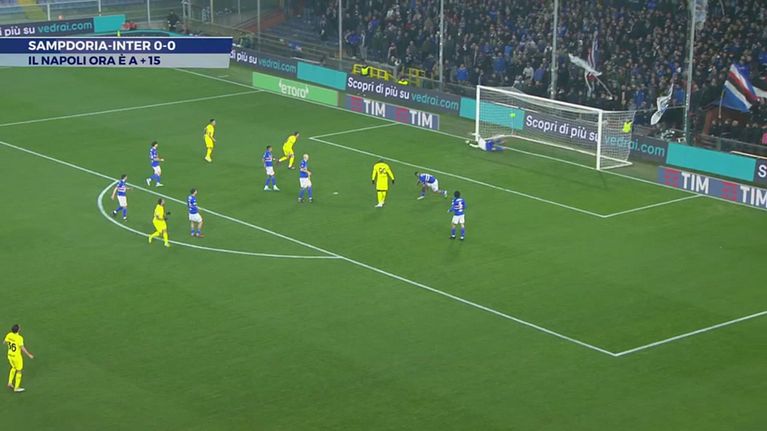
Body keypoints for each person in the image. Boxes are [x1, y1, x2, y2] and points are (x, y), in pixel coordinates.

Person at [5, 324, 34, 393]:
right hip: (17, 357)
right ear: (18, 330)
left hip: (10, 355)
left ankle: (10, 382)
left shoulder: (9, 335)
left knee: (13, 367)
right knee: (19, 371)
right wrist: (29, 355)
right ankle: (16, 387)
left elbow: (5, 342)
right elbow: (22, 348)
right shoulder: (19, 338)